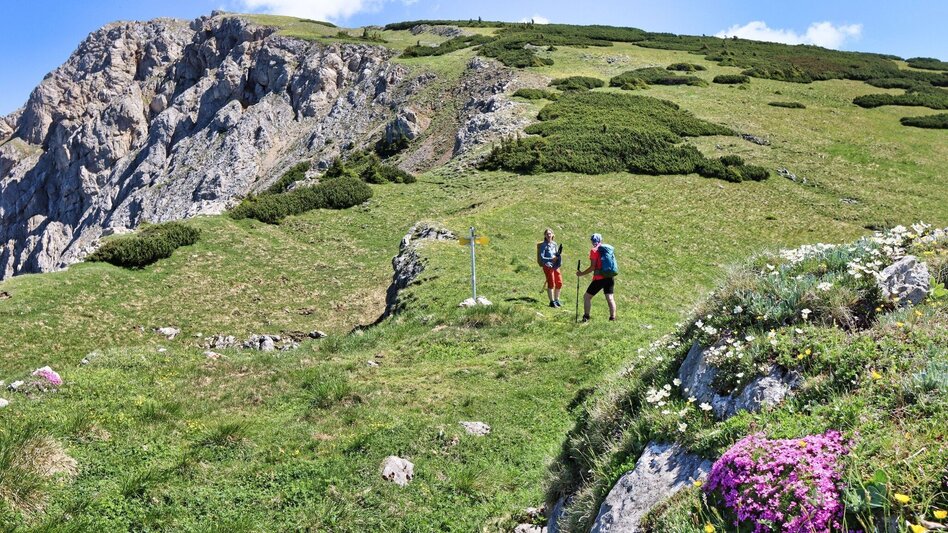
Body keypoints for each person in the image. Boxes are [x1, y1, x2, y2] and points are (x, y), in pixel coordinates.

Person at [576, 233, 616, 321]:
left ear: (592, 241)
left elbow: (592, 267)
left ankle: (586, 316)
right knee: (610, 297)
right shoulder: (607, 249)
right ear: (601, 240)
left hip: (599, 278)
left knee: (587, 297)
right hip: (610, 276)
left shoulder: (594, 250)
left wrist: (581, 273)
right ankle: (612, 318)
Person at [537, 228, 563, 307]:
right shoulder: (543, 245)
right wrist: (551, 259)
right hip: (547, 266)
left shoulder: (554, 244)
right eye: (547, 234)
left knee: (559, 282)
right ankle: (552, 302)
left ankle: (557, 300)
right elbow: (542, 257)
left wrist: (558, 260)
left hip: (555, 266)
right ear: (545, 235)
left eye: (550, 233)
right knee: (551, 283)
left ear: (552, 235)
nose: (548, 235)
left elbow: (556, 254)